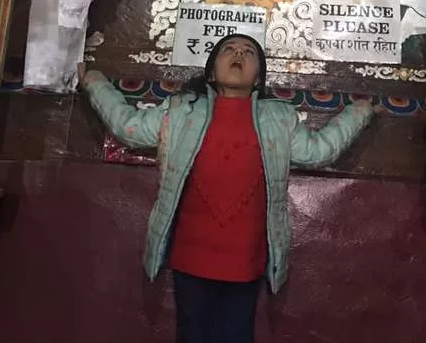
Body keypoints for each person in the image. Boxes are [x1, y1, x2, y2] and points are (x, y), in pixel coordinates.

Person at [79, 32, 373, 342]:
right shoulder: (181, 112)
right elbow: (130, 127)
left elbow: (319, 151)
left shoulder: (278, 118)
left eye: (249, 52)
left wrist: (359, 112)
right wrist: (94, 82)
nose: (239, 54)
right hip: (190, 259)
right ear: (210, 71)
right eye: (229, 49)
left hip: (246, 263)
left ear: (258, 76)